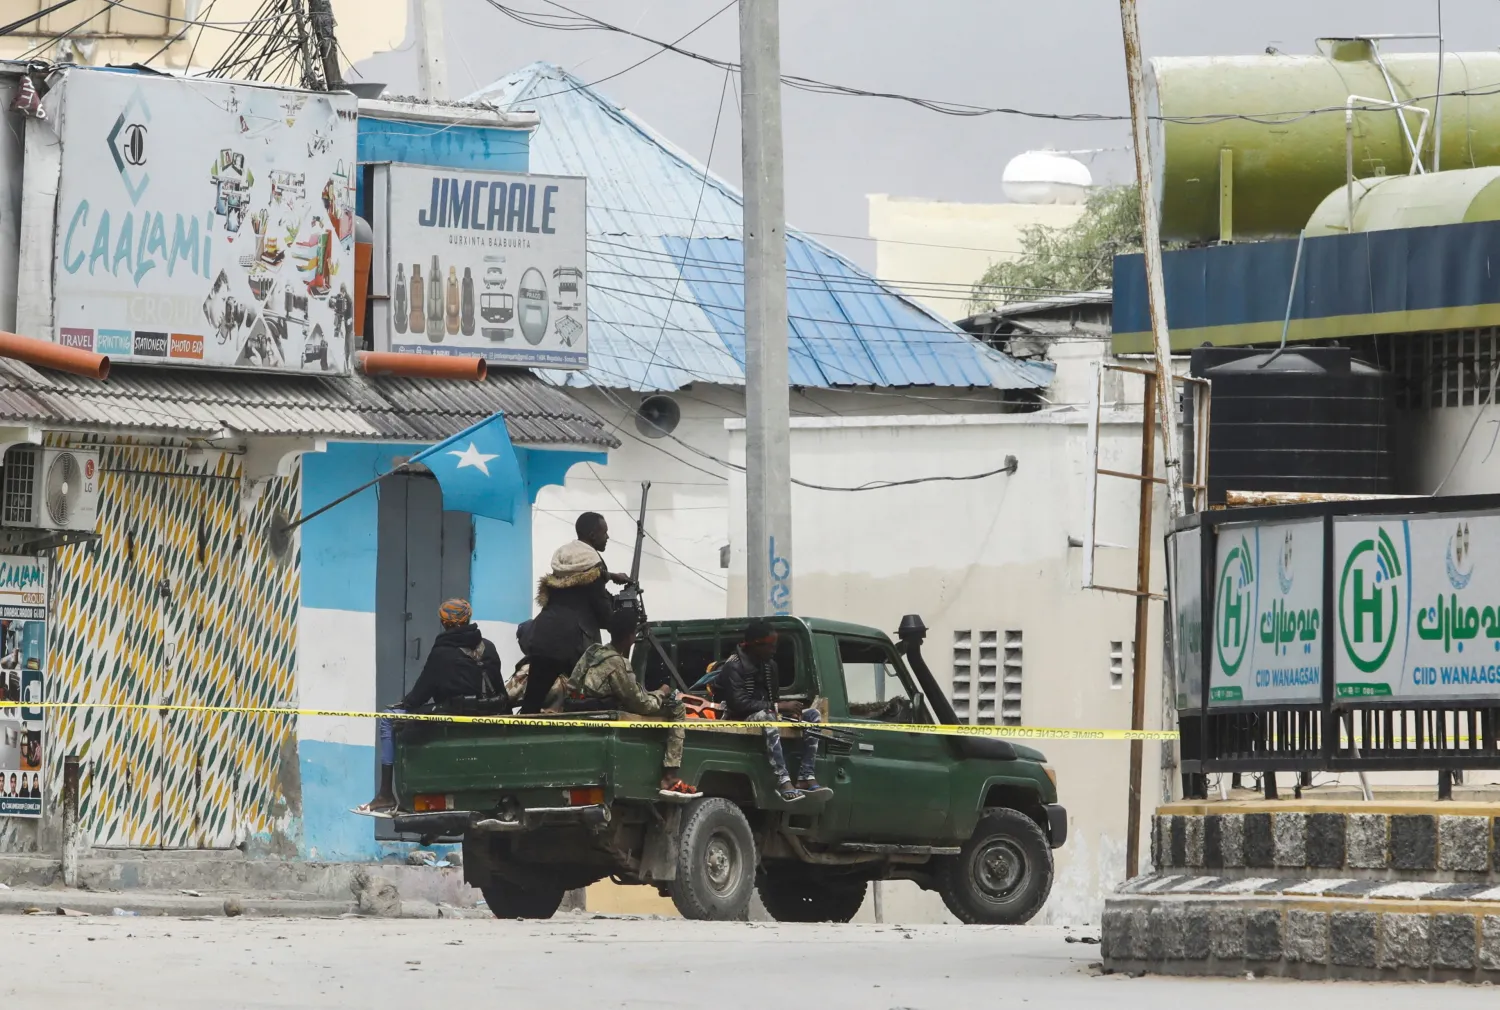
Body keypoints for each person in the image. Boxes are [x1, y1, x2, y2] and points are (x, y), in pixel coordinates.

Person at [360, 598, 505, 814]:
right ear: (468, 619)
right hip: (488, 715)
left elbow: (419, 695)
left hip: (452, 716)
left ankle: (385, 794)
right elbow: (500, 688)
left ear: (445, 623)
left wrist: (404, 704)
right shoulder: (489, 647)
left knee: (389, 717)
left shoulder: (443, 652)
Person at [565, 611, 701, 799]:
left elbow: (572, 684)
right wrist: (662, 693)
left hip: (579, 708)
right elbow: (641, 704)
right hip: (604, 710)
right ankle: (669, 776)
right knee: (678, 708)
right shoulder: (618, 663)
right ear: (630, 636)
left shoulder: (594, 651)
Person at [522, 512, 629, 713]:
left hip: (545, 636)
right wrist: (623, 625)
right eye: (604, 532)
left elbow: (579, 585)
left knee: (532, 701)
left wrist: (609, 576)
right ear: (592, 535)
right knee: (587, 702)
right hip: (575, 643)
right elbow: (600, 607)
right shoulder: (594, 562)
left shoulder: (565, 558)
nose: (607, 537)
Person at [719, 620, 831, 802]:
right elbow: (738, 703)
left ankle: (805, 776)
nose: (774, 651)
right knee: (768, 716)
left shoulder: (770, 666)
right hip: (741, 717)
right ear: (756, 644)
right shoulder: (733, 665)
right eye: (770, 646)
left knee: (813, 715)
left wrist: (791, 712)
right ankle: (783, 780)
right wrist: (778, 708)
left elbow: (773, 698)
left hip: (767, 712)